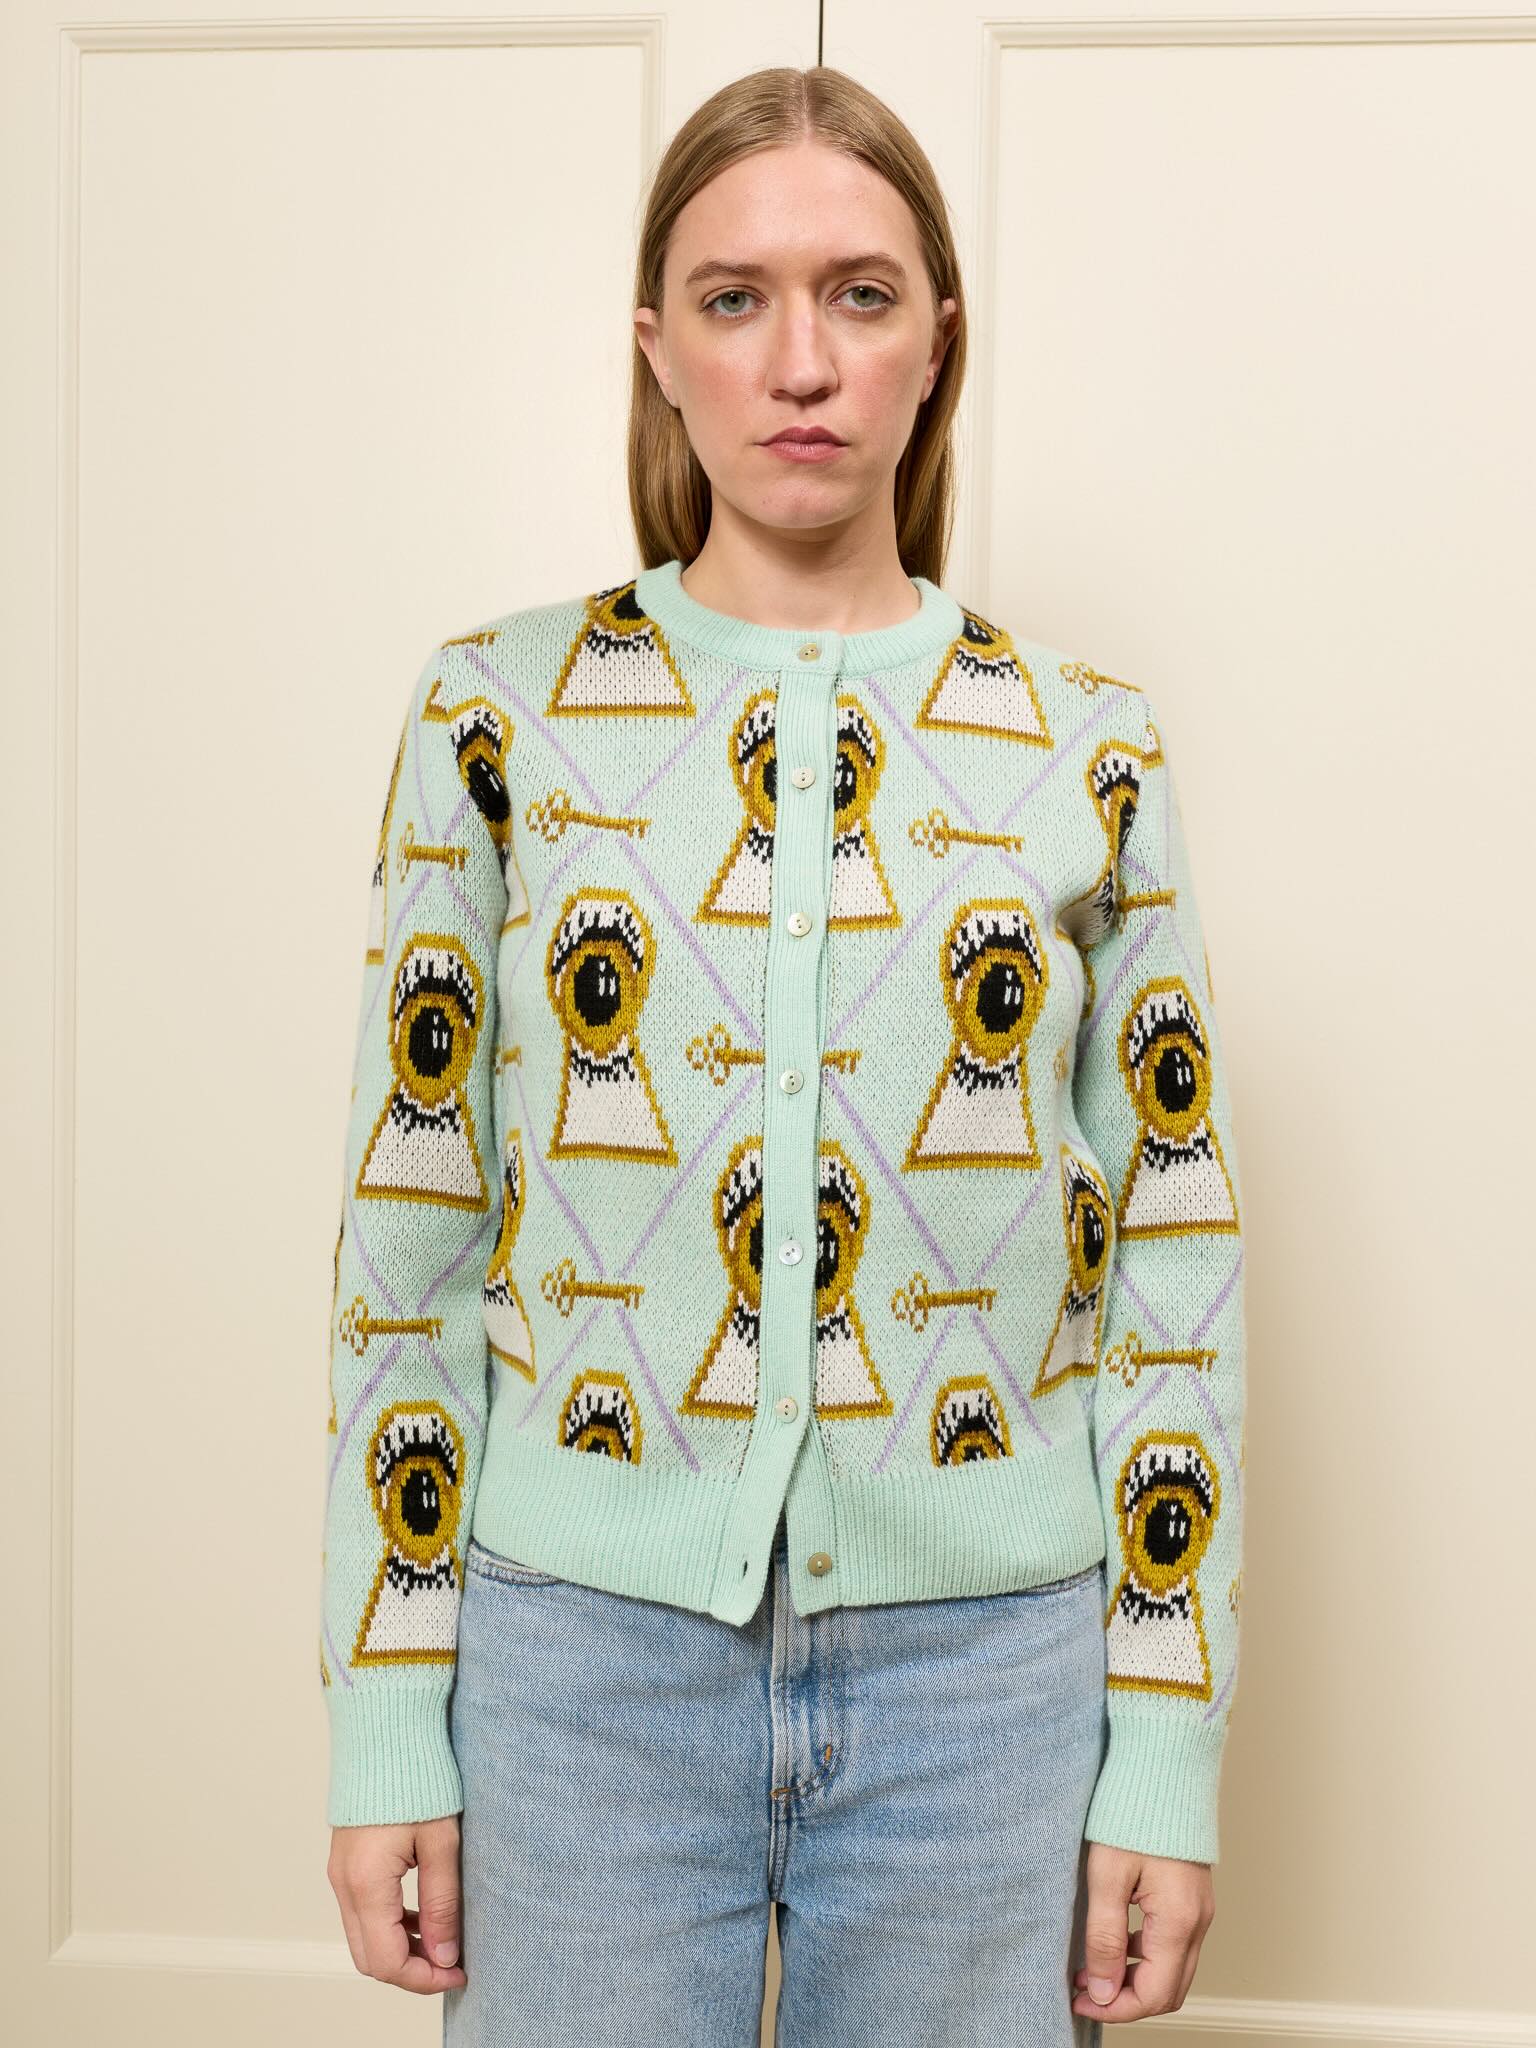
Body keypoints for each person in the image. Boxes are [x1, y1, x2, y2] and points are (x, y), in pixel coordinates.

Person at [321, 64, 1245, 2046]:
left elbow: (1178, 1269)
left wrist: (1164, 1753)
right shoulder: (497, 713)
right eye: (734, 299)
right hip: (576, 1671)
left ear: (941, 342)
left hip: (990, 1690)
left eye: (861, 294)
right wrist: (389, 1711)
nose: (801, 361)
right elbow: (407, 1246)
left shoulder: (1089, 744)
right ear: (656, 349)